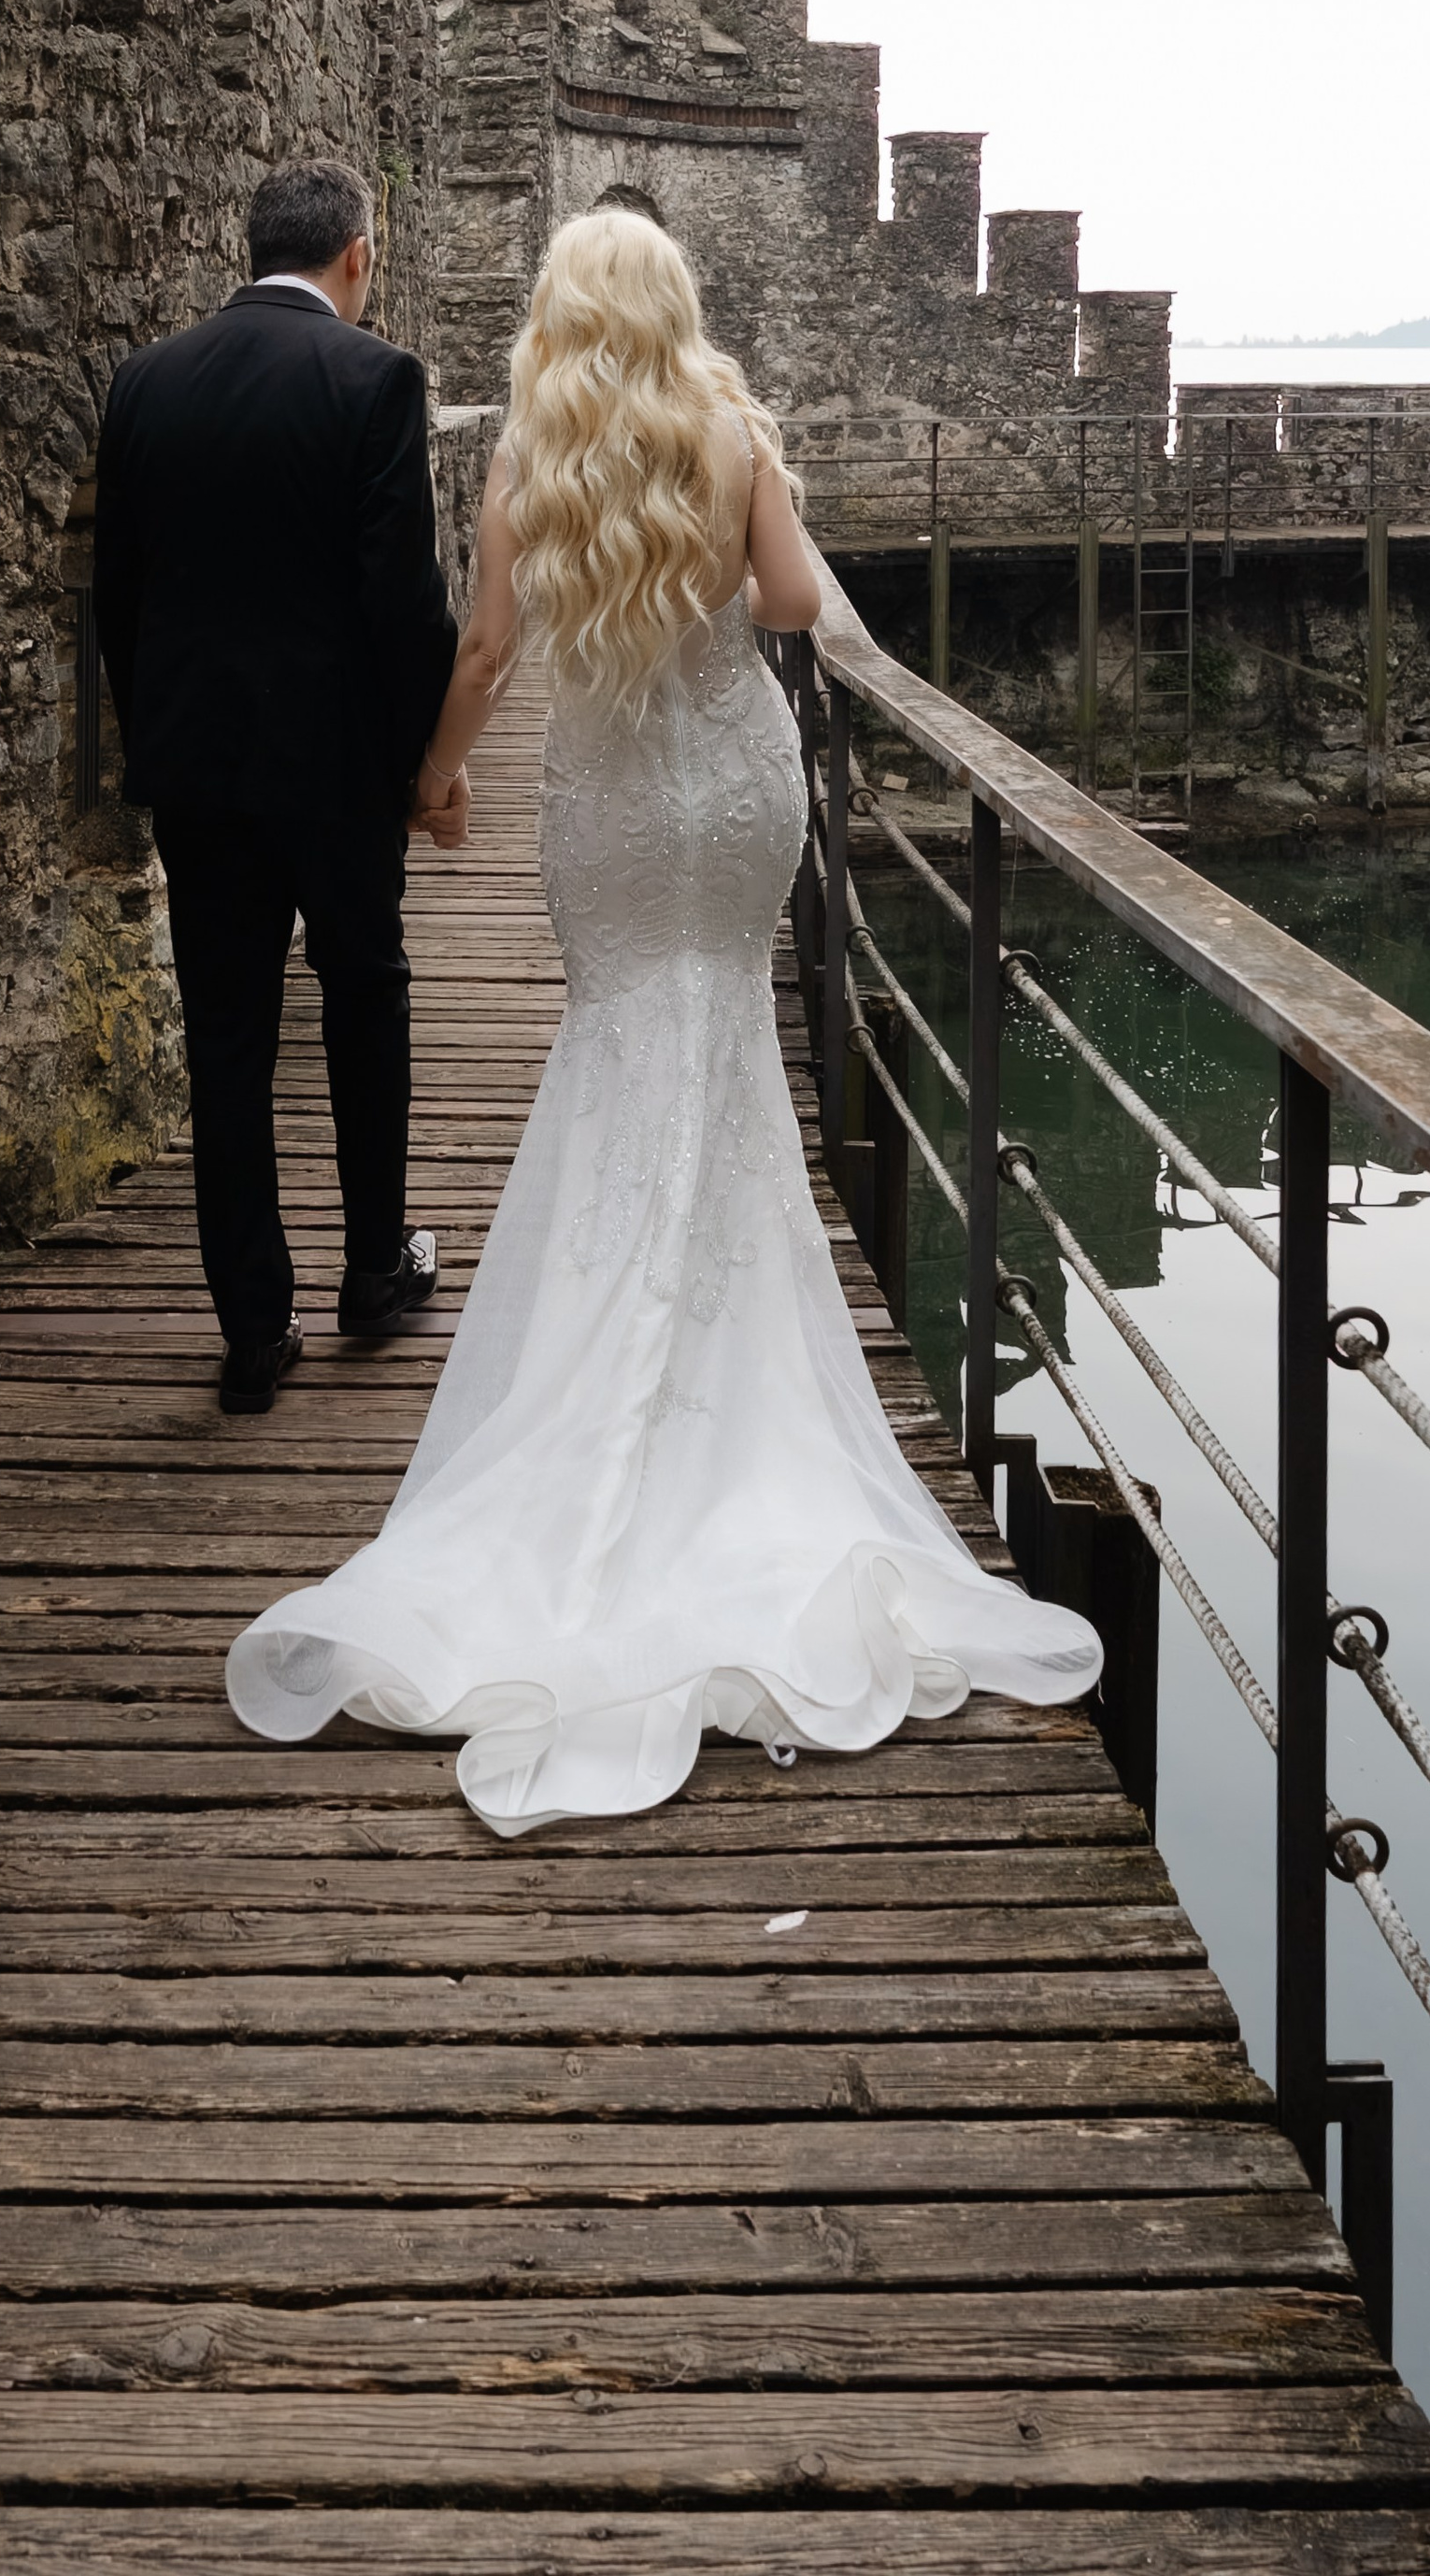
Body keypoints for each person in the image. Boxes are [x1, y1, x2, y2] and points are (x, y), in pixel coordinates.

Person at [227, 206, 1100, 1832]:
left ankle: (594, 1385)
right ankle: (733, 1376)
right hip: (734, 791)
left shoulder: (533, 457)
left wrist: (433, 769)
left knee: (623, 1033)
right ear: (677, 305)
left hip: (614, 799)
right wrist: (745, 508)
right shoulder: (728, 430)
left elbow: (488, 647)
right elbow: (789, 611)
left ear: (562, 315)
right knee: (728, 1046)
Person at [93, 162, 459, 1414]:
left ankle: (253, 1330)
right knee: (366, 999)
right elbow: (403, 601)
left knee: (230, 1044)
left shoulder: (143, 382)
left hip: (200, 766)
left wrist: (159, 740)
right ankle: (372, 1270)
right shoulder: (375, 378)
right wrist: (423, 762)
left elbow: (118, 597)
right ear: (357, 257)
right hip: (342, 769)